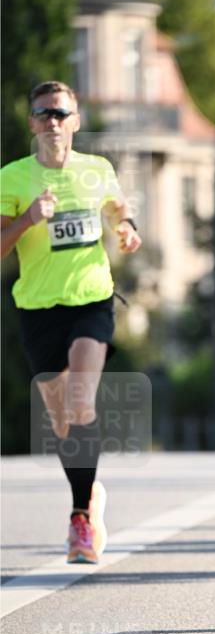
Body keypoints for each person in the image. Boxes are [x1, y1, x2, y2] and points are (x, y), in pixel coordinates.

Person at [1, 81, 141, 563]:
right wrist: (27, 221)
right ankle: (91, 493)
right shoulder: (13, 178)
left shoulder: (96, 170)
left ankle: (80, 517)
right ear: (32, 124)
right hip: (38, 307)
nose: (53, 122)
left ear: (76, 121)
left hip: (91, 299)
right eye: (44, 114)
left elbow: (120, 209)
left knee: (81, 400)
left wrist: (126, 229)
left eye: (61, 113)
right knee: (62, 419)